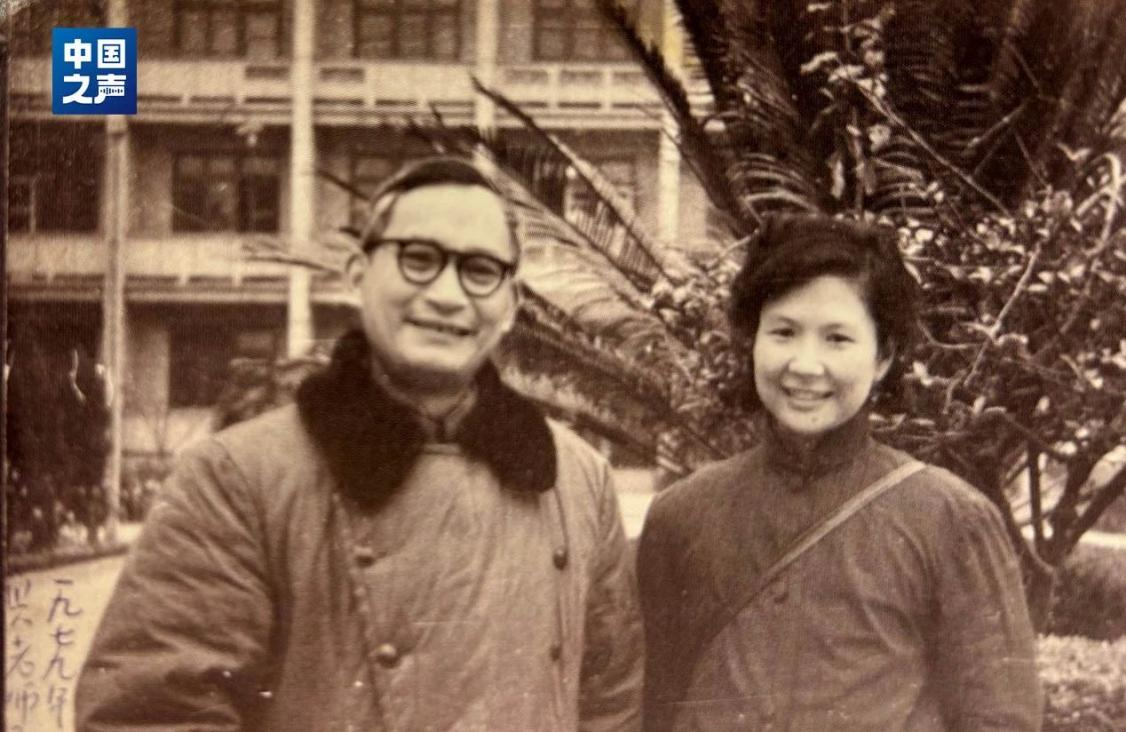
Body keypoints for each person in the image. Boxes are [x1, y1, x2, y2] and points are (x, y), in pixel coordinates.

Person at [77, 157, 644, 731]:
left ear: (511, 305)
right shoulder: (236, 477)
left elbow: (612, 707)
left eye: (480, 270)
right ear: (357, 274)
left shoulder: (578, 478)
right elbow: (152, 712)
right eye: (418, 259)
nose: (448, 295)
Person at [637, 215, 1042, 731]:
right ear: (752, 339)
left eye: (837, 339)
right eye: (784, 332)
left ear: (884, 356)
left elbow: (1002, 719)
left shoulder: (950, 520)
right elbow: (655, 708)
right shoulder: (681, 516)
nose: (806, 365)